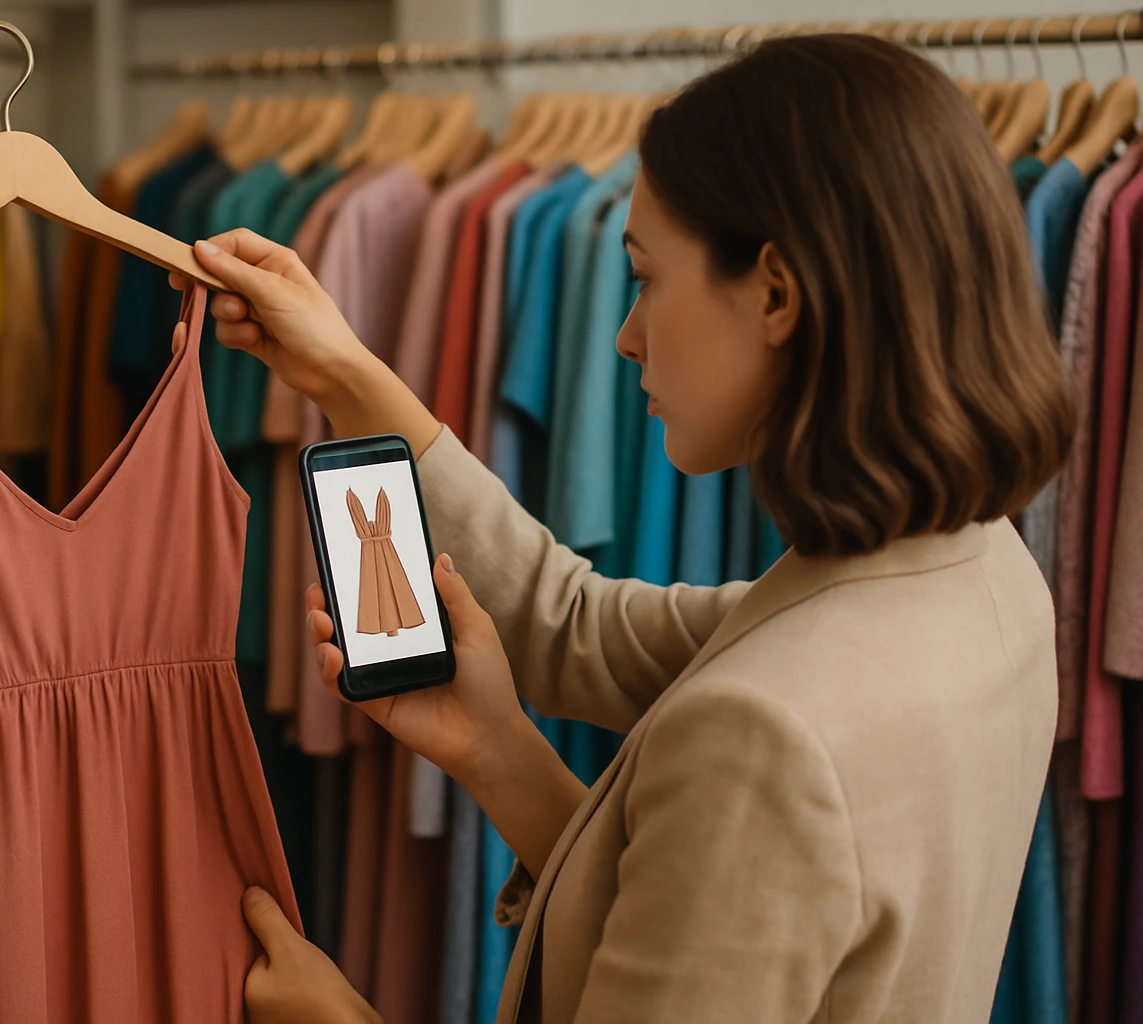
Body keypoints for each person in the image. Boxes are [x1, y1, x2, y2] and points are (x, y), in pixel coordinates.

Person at [173, 33, 1075, 1024]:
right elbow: (586, 636)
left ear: (777, 293)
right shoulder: (985, 570)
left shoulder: (767, 736)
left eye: (645, 278)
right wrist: (498, 749)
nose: (625, 333)